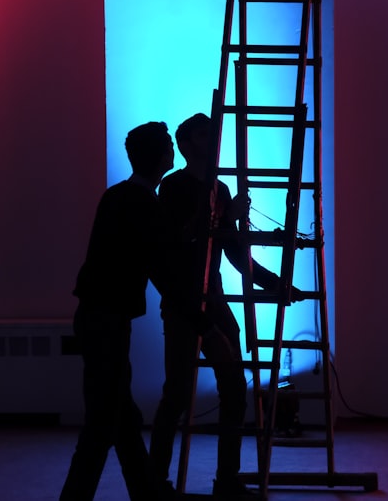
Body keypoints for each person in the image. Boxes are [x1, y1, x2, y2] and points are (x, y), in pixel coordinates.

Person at [149, 113, 301, 500]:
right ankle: (155, 485)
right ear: (186, 146)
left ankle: (227, 480)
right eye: (203, 135)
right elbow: (177, 245)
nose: (212, 139)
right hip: (184, 301)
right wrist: (220, 219)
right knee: (177, 395)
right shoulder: (173, 187)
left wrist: (277, 284)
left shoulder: (220, 187)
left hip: (214, 297)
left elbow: (233, 252)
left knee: (234, 389)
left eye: (212, 133)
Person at [60, 121, 186, 501]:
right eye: (167, 145)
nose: (172, 150)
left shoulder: (119, 197)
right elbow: (162, 268)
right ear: (161, 156)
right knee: (104, 424)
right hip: (108, 321)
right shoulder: (143, 204)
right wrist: (201, 322)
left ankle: (145, 494)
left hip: (99, 317)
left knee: (120, 419)